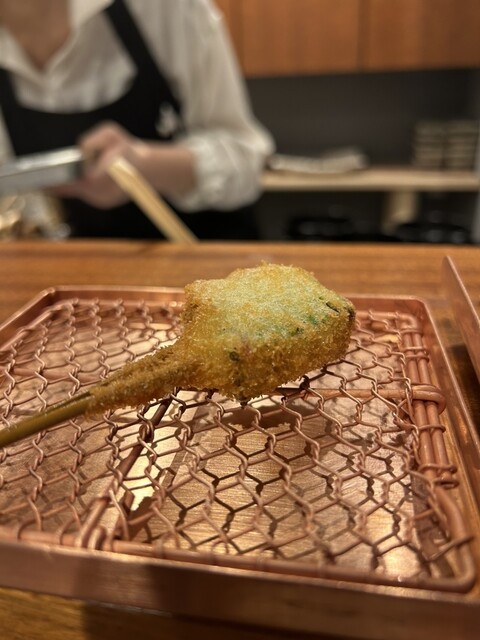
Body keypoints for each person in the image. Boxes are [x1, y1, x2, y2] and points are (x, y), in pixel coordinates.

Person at [0, 0, 274, 238]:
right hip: (87, 269)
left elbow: (246, 158)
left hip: (210, 257)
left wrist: (145, 165)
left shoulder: (164, 8)